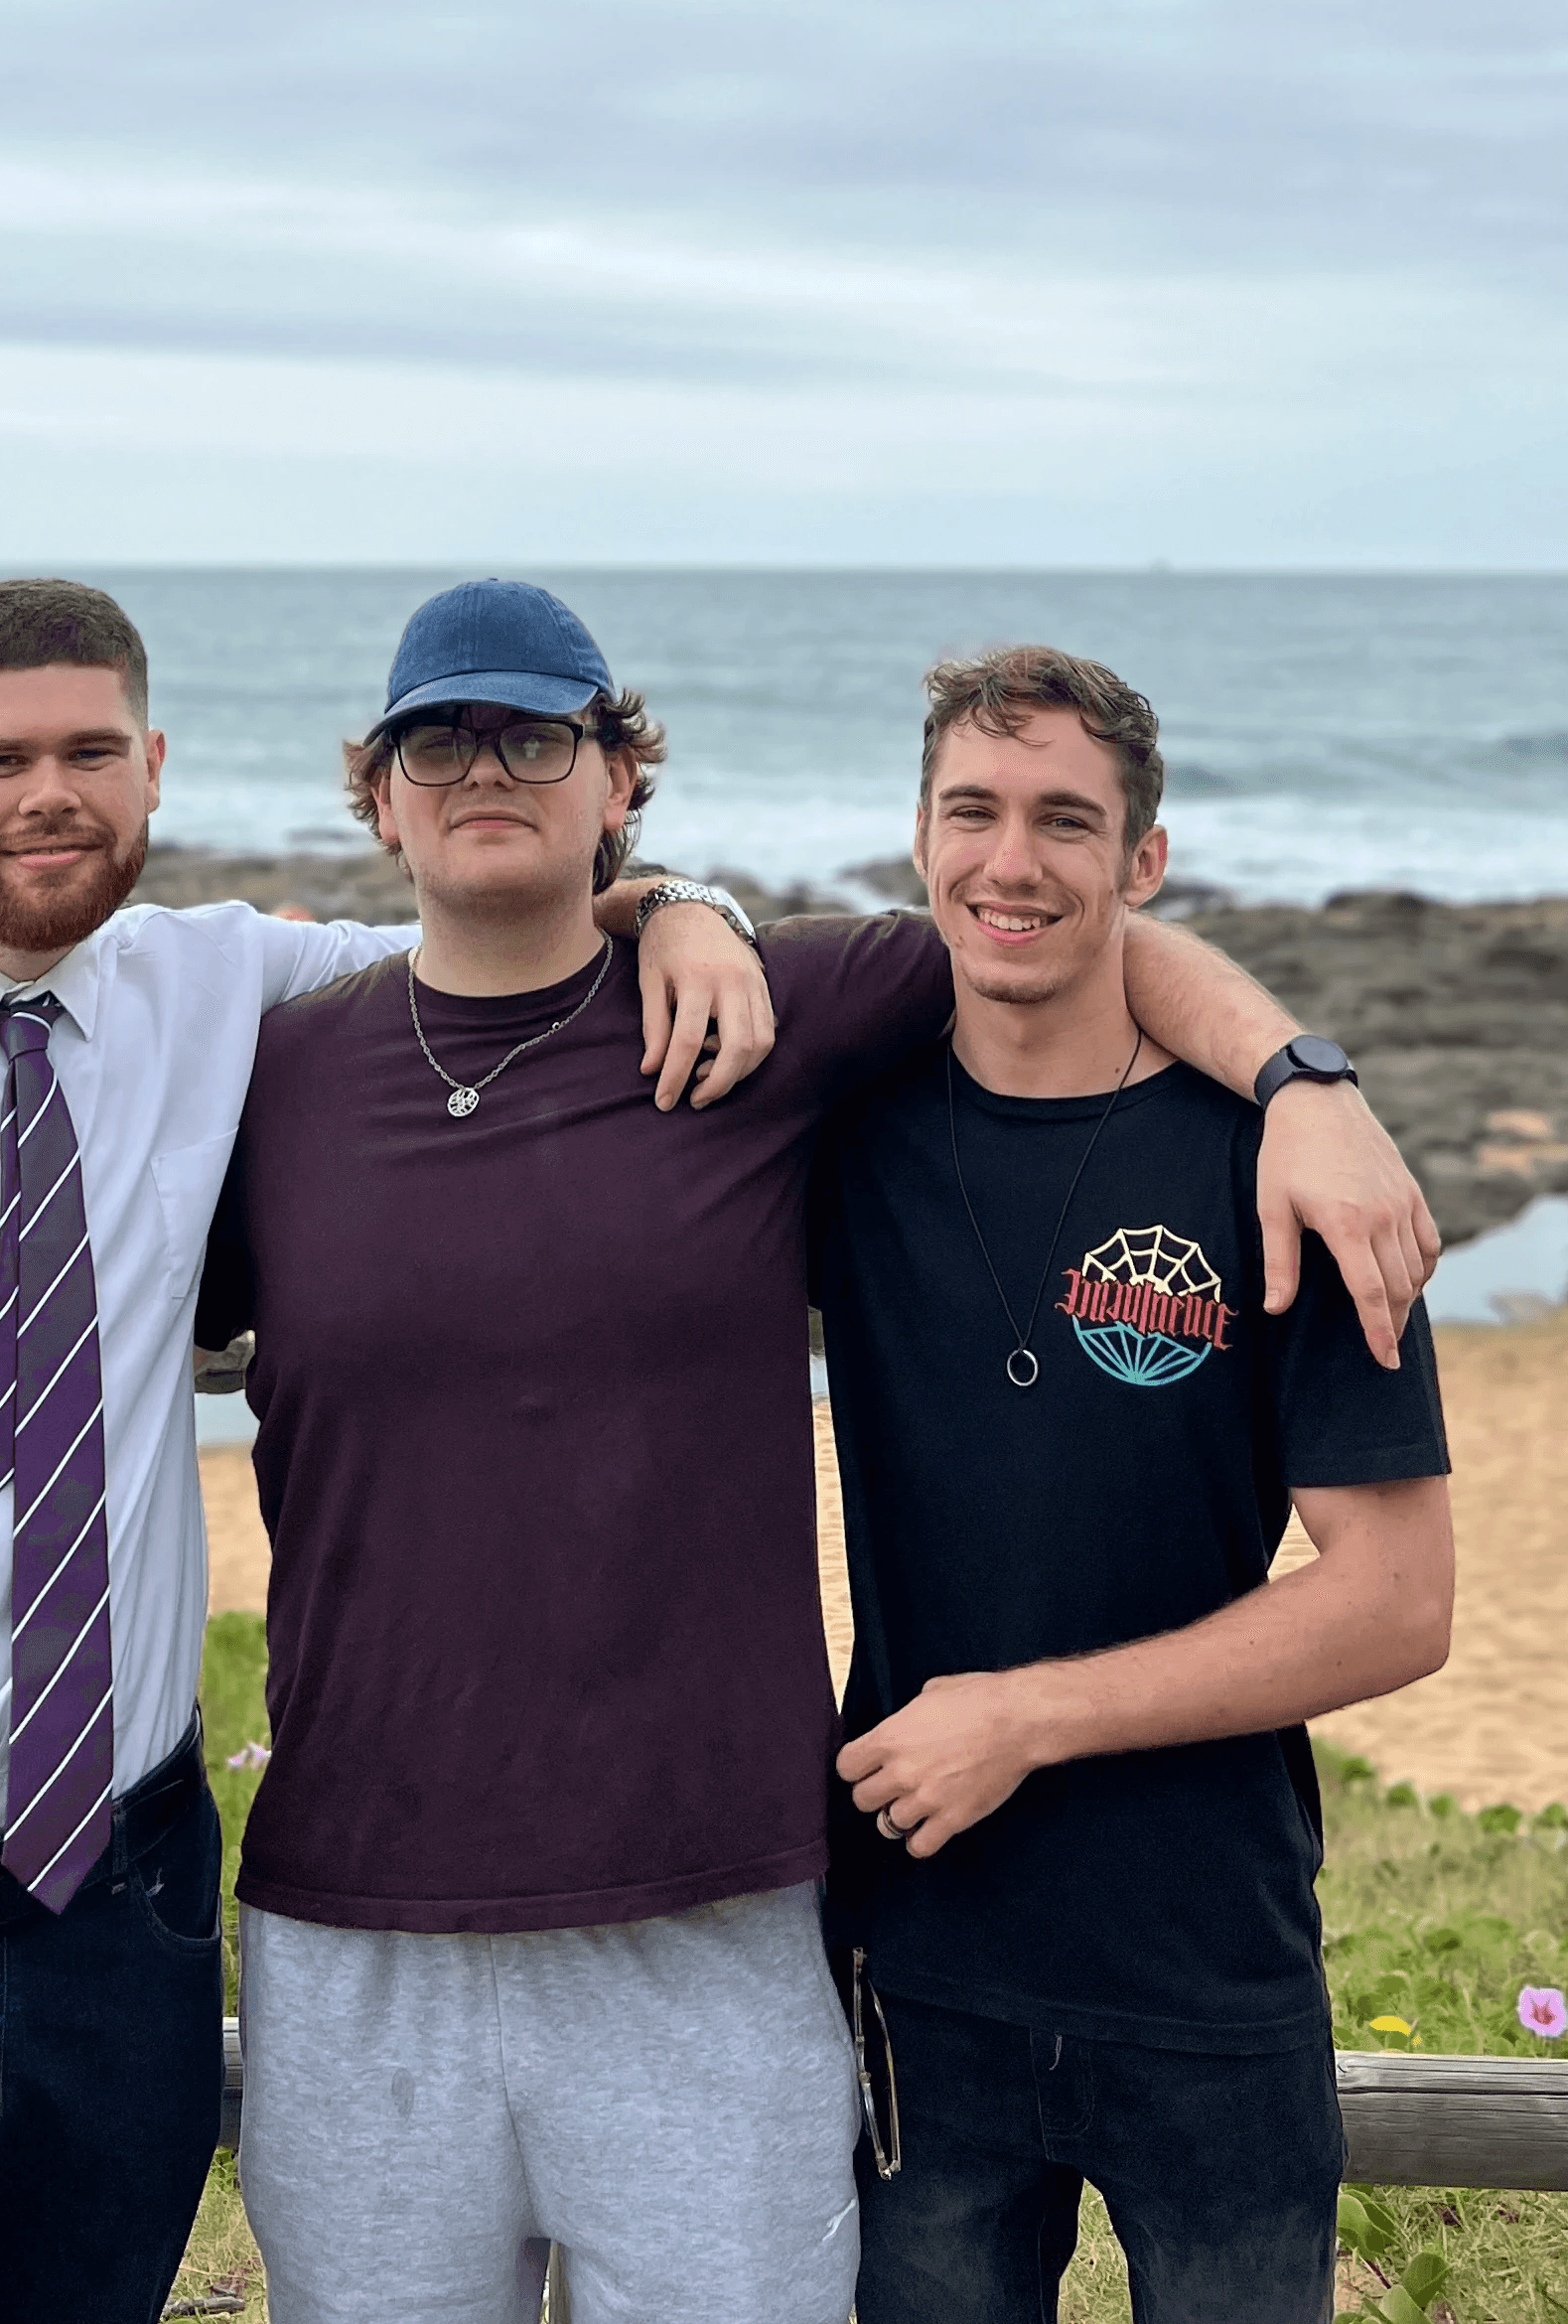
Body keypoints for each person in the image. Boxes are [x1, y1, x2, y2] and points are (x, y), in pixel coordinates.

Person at [0, 575, 774, 2324]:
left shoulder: (229, 993)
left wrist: (685, 904)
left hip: (120, 1926)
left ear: (154, 768)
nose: (50, 793)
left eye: (92, 750)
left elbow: (506, 916)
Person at [199, 579, 1438, 2324]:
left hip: (789, 1920)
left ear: (617, 773)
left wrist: (1306, 1082)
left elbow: (1034, 928)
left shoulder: (790, 1036)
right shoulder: (269, 1078)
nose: (490, 767)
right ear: (378, 790)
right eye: (440, 739)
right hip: (438, 1916)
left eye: (539, 735)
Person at [822, 644, 1455, 2324]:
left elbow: (1398, 1602)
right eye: (972, 811)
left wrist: (1023, 1719)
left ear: (1143, 861)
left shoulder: (1291, 1180)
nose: (1009, 862)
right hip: (918, 1964)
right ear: (916, 837)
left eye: (1064, 821)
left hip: (1208, 1971)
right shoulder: (838, 1131)